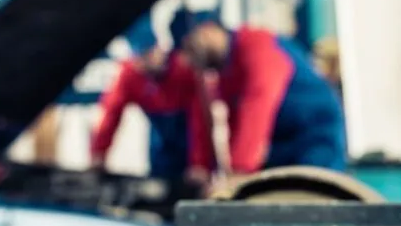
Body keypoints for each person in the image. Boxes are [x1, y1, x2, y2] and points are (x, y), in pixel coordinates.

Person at [175, 14, 348, 183]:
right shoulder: (224, 72)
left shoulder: (256, 44)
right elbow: (231, 121)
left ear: (208, 31)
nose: (190, 61)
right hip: (281, 142)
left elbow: (259, 100)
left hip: (315, 132)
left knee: (315, 194)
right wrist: (202, 166)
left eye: (190, 48)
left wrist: (239, 172)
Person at [89, 15, 199, 183]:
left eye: (151, 51)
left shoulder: (184, 70)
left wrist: (199, 164)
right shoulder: (130, 75)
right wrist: (99, 153)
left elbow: (201, 120)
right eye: (141, 56)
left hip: (190, 137)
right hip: (160, 142)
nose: (148, 61)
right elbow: (111, 112)